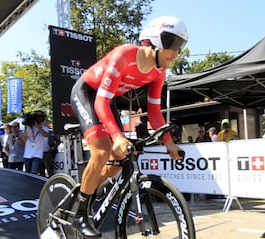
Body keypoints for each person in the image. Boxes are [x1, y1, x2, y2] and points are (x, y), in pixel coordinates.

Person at [70, 16, 188, 238]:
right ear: (154, 42)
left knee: (118, 161)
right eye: (174, 46)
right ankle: (80, 214)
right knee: (103, 150)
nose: (176, 53)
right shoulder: (124, 56)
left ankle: (88, 190)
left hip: (107, 99)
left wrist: (169, 142)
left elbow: (153, 111)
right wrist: (116, 135)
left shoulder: (159, 72)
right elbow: (99, 102)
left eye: (181, 47)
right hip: (87, 93)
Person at [22, 110, 49, 174]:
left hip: (37, 154)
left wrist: (38, 126)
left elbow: (45, 135)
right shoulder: (28, 127)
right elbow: (24, 139)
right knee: (28, 174)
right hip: (27, 154)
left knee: (34, 172)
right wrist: (27, 126)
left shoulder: (43, 127)